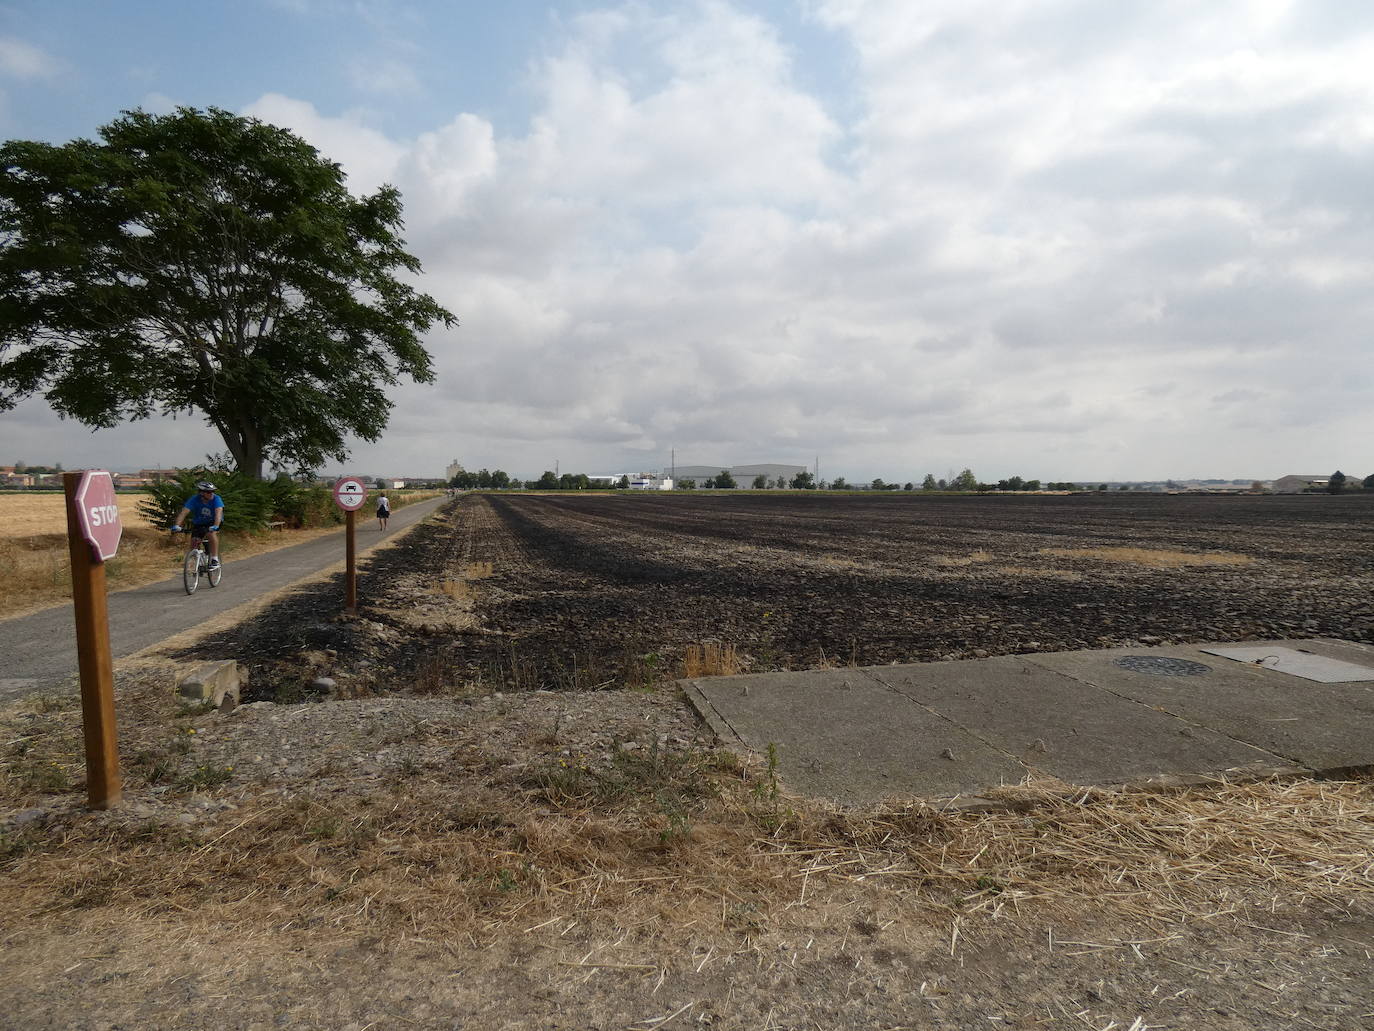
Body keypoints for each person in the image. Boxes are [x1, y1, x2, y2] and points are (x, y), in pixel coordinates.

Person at [172, 480, 224, 568]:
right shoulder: (194, 499)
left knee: (211, 534)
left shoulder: (216, 499)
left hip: (214, 521)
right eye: (208, 492)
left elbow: (218, 513)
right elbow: (183, 513)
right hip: (199, 522)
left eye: (212, 491)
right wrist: (177, 525)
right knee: (194, 541)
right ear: (201, 493)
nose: (211, 494)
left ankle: (215, 559)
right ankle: (199, 562)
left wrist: (215, 526)